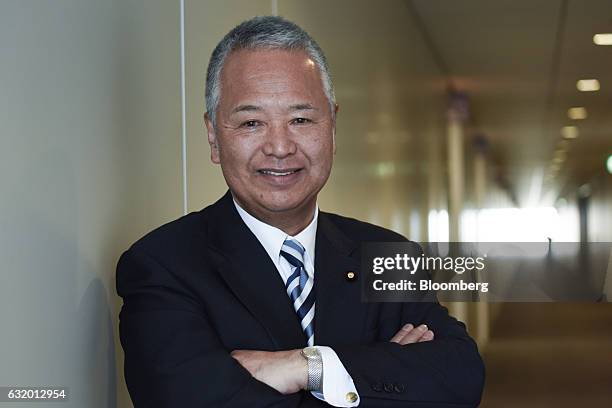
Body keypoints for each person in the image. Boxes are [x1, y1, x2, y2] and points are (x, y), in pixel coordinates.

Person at [116, 16, 484, 408]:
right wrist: (382, 373)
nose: (279, 146)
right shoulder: (163, 265)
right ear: (213, 137)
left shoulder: (388, 255)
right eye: (252, 122)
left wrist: (309, 368)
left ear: (333, 126)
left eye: (301, 119)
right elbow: (183, 399)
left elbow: (460, 377)